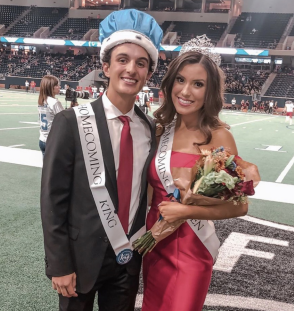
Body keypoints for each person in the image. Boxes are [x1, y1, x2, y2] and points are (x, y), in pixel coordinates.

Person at [41, 9, 162, 311]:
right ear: (106, 67)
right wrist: (58, 263)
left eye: (141, 63)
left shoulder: (149, 128)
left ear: (148, 74)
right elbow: (52, 198)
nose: (131, 69)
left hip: (127, 260)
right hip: (79, 259)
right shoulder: (71, 122)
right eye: (122, 60)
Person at [142, 46, 248, 311]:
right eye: (180, 79)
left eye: (197, 84)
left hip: (192, 249)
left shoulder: (219, 137)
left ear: (209, 91)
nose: (185, 91)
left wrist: (185, 209)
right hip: (154, 243)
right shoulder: (159, 132)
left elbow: (240, 205)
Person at [38, 75, 64, 156]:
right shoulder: (54, 102)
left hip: (42, 139)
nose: (59, 87)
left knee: (46, 167)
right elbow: (65, 120)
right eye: (56, 85)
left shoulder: (41, 101)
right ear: (50, 87)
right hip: (52, 141)